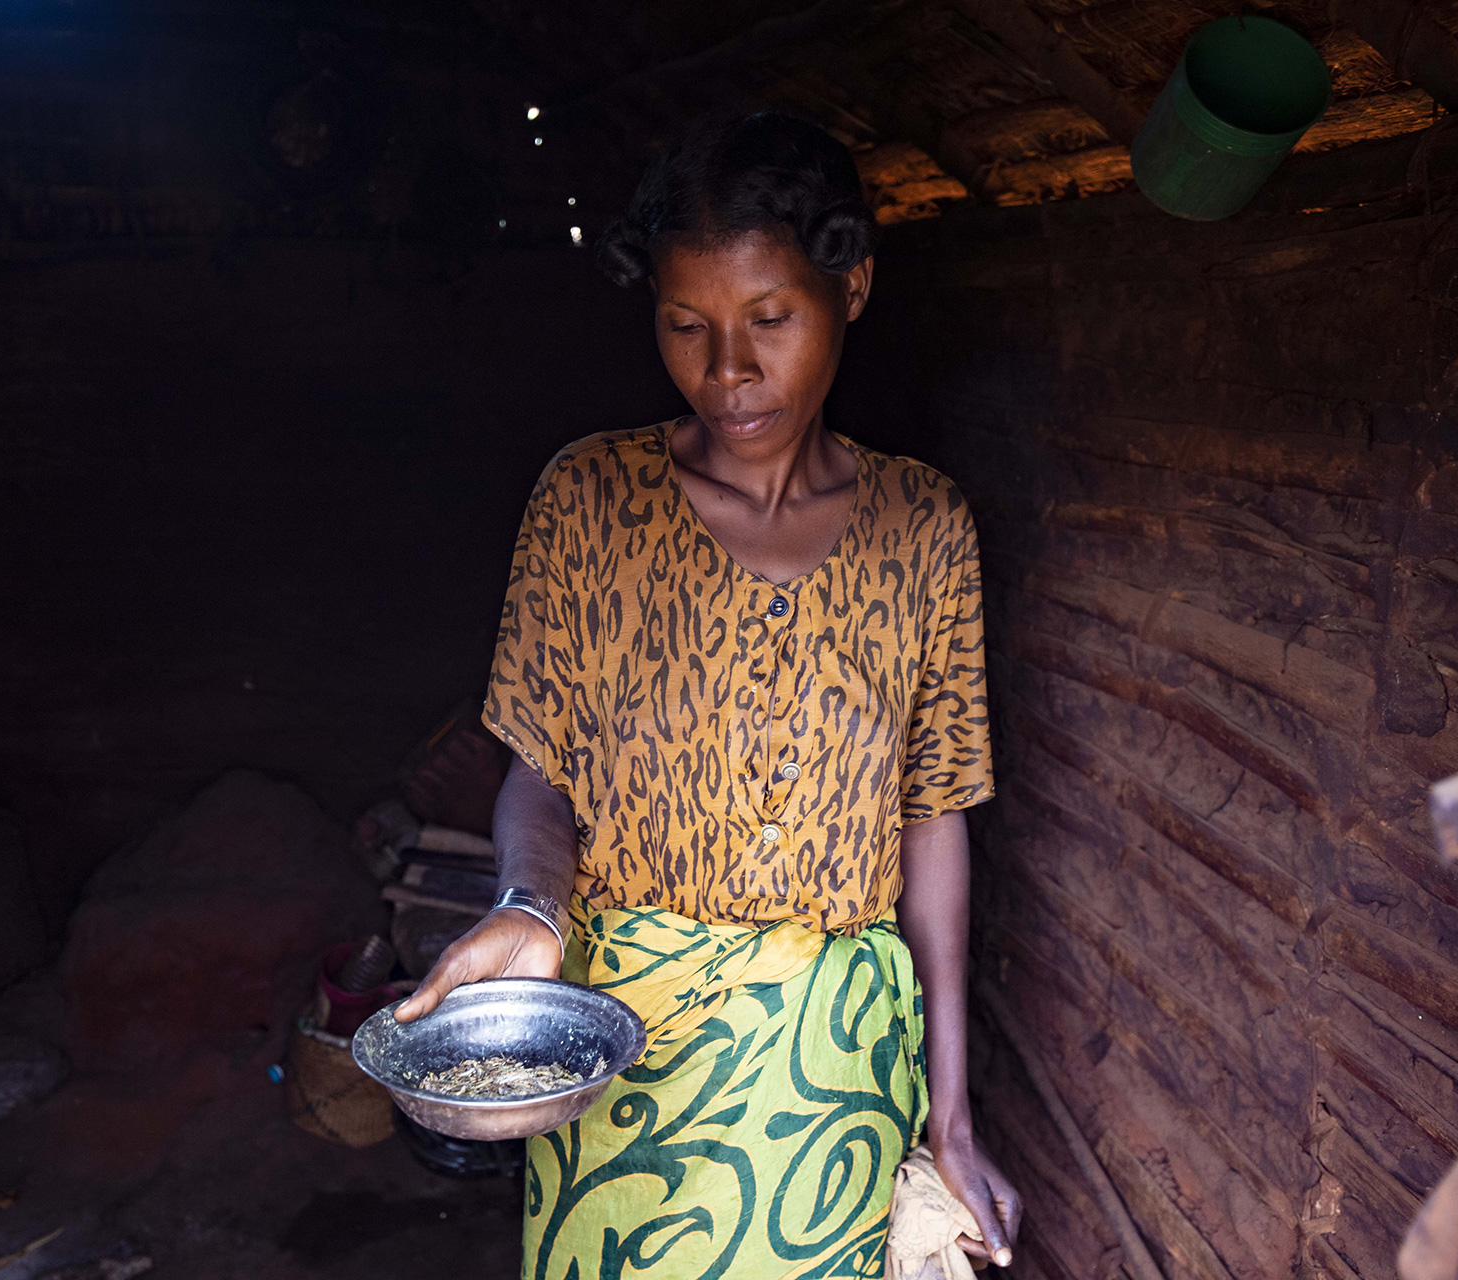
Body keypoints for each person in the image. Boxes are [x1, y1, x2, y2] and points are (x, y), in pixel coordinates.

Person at [396, 111, 1023, 1280]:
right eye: (686, 327)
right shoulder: (589, 501)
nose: (726, 371)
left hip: (833, 1079)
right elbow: (541, 764)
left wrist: (954, 1113)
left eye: (769, 321)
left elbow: (934, 817)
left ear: (854, 286)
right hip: (621, 1056)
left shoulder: (925, 528)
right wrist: (535, 905)